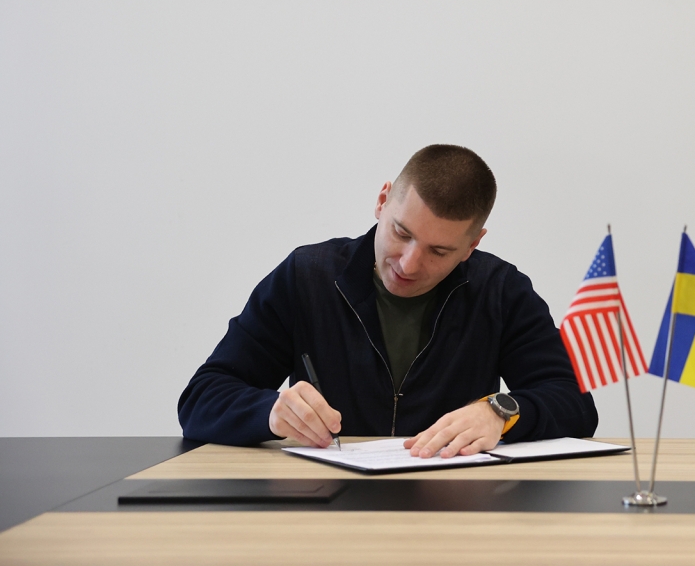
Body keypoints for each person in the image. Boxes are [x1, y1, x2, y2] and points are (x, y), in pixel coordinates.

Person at [179, 144, 596, 457]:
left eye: (439, 251)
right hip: (322, 510)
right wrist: (269, 410)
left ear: (472, 245)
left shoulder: (500, 290)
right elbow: (201, 398)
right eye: (401, 232)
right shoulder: (306, 277)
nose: (409, 264)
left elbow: (575, 402)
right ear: (382, 201)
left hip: (455, 512)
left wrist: (501, 410)